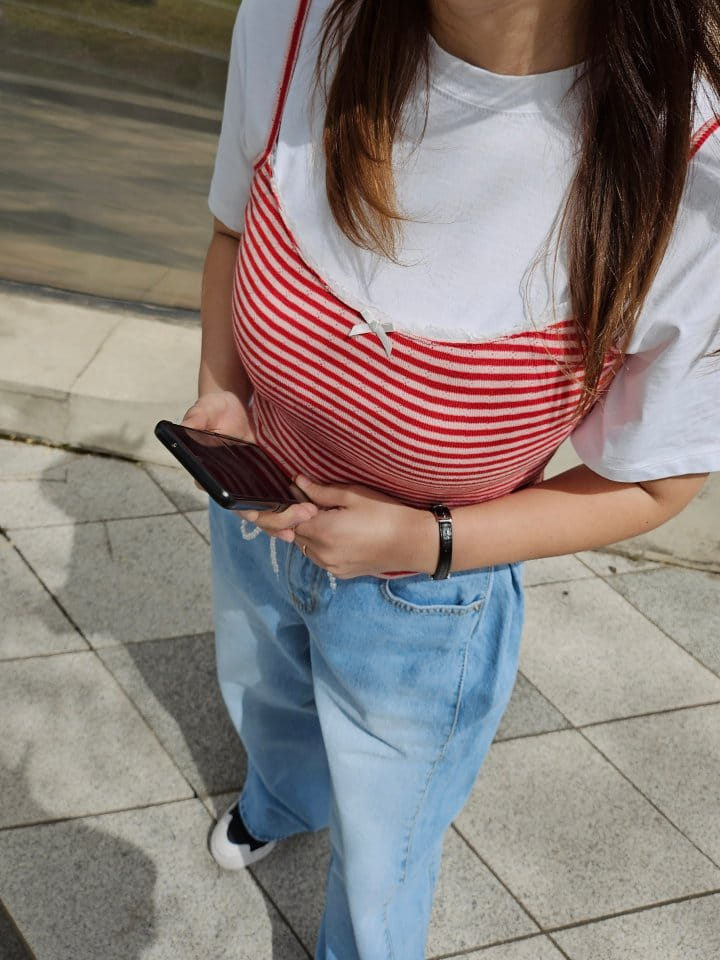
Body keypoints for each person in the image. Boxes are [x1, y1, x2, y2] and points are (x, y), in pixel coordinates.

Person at [182, 0, 720, 957]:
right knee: (265, 686)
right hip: (257, 507)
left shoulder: (691, 157)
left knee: (388, 839)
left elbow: (656, 484)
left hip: (426, 596)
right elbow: (232, 229)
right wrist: (222, 390)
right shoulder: (294, 20)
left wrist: (428, 541)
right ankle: (280, 800)